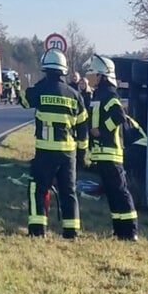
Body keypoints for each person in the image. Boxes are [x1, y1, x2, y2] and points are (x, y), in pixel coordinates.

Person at [19, 49, 88, 239]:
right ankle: (71, 231)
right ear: (64, 71)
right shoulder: (75, 95)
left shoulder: (40, 90)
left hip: (45, 151)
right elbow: (83, 129)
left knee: (38, 188)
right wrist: (82, 155)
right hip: (68, 153)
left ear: (45, 70)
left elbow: (24, 100)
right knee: (69, 191)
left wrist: (39, 84)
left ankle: (37, 230)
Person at [86, 54, 139, 240]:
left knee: (120, 192)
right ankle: (119, 231)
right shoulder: (98, 95)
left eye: (94, 75)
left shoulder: (109, 94)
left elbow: (119, 116)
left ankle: (131, 232)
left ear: (103, 76)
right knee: (111, 193)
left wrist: (101, 130)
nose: (91, 78)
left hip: (111, 153)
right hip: (101, 154)